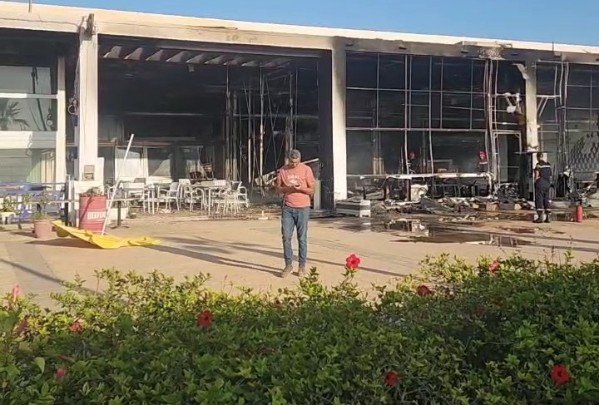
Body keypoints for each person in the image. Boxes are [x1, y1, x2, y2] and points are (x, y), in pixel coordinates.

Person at [276, 149, 315, 277]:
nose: (294, 164)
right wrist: (287, 188)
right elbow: (278, 189)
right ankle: (288, 265)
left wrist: (301, 188)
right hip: (288, 208)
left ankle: (302, 266)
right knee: (286, 237)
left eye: (296, 162)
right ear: (289, 159)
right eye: (292, 162)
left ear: (300, 159)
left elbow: (312, 190)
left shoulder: (306, 170)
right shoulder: (283, 170)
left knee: (302, 238)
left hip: (303, 208)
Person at [533, 152, 552, 223]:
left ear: (537, 157)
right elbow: (550, 175)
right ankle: (548, 217)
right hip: (547, 183)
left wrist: (535, 181)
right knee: (546, 199)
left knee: (539, 199)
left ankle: (540, 217)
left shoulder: (538, 165)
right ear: (542, 156)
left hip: (540, 183)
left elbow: (537, 174)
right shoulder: (548, 165)